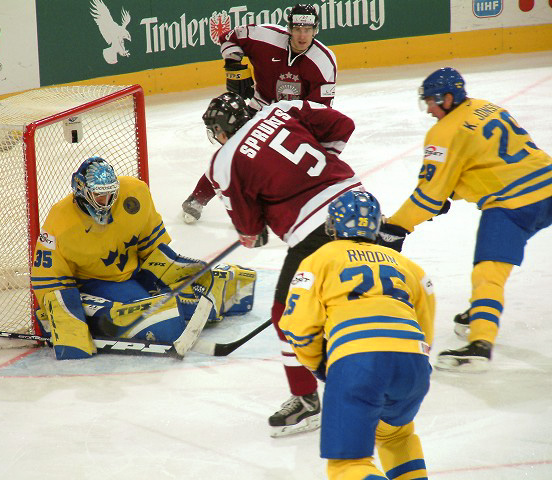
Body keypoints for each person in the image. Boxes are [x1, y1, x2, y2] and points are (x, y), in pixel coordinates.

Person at [201, 91, 361, 436]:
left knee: (285, 314)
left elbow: (251, 230)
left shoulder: (224, 159)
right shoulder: (282, 108)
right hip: (358, 204)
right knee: (356, 299)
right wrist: (321, 172)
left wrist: (250, 232)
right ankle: (377, 370)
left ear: (223, 130)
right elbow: (342, 124)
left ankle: (306, 400)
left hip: (315, 231)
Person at [377, 67, 552, 372]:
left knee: (488, 274)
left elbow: (429, 196)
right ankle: (482, 309)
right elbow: (486, 161)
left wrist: (396, 225)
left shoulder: (442, 133)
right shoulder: (488, 106)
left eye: (432, 101)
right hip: (547, 185)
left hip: (512, 206)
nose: (429, 109)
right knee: (493, 273)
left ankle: (480, 344)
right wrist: (453, 192)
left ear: (448, 97)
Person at [30, 156, 256, 360]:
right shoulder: (59, 223)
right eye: (100, 196)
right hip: (95, 284)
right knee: (166, 322)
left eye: (111, 194)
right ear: (82, 193)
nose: (107, 201)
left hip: (135, 272)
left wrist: (179, 271)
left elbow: (152, 247)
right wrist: (68, 327)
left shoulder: (134, 193)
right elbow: (49, 282)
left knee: (204, 287)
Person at [280, 190, 435, 480]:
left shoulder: (320, 258)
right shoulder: (409, 267)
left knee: (347, 464)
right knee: (396, 437)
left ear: (333, 226)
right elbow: (425, 324)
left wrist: (320, 365)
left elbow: (298, 326)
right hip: (413, 366)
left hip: (358, 362)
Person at [182, 3, 338, 224]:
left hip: (295, 122)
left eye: (308, 30)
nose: (302, 36)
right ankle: (198, 198)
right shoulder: (264, 36)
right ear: (289, 28)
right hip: (259, 108)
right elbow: (229, 37)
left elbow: (320, 112)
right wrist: (233, 66)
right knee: (233, 153)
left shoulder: (324, 61)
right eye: (297, 29)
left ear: (316, 30)